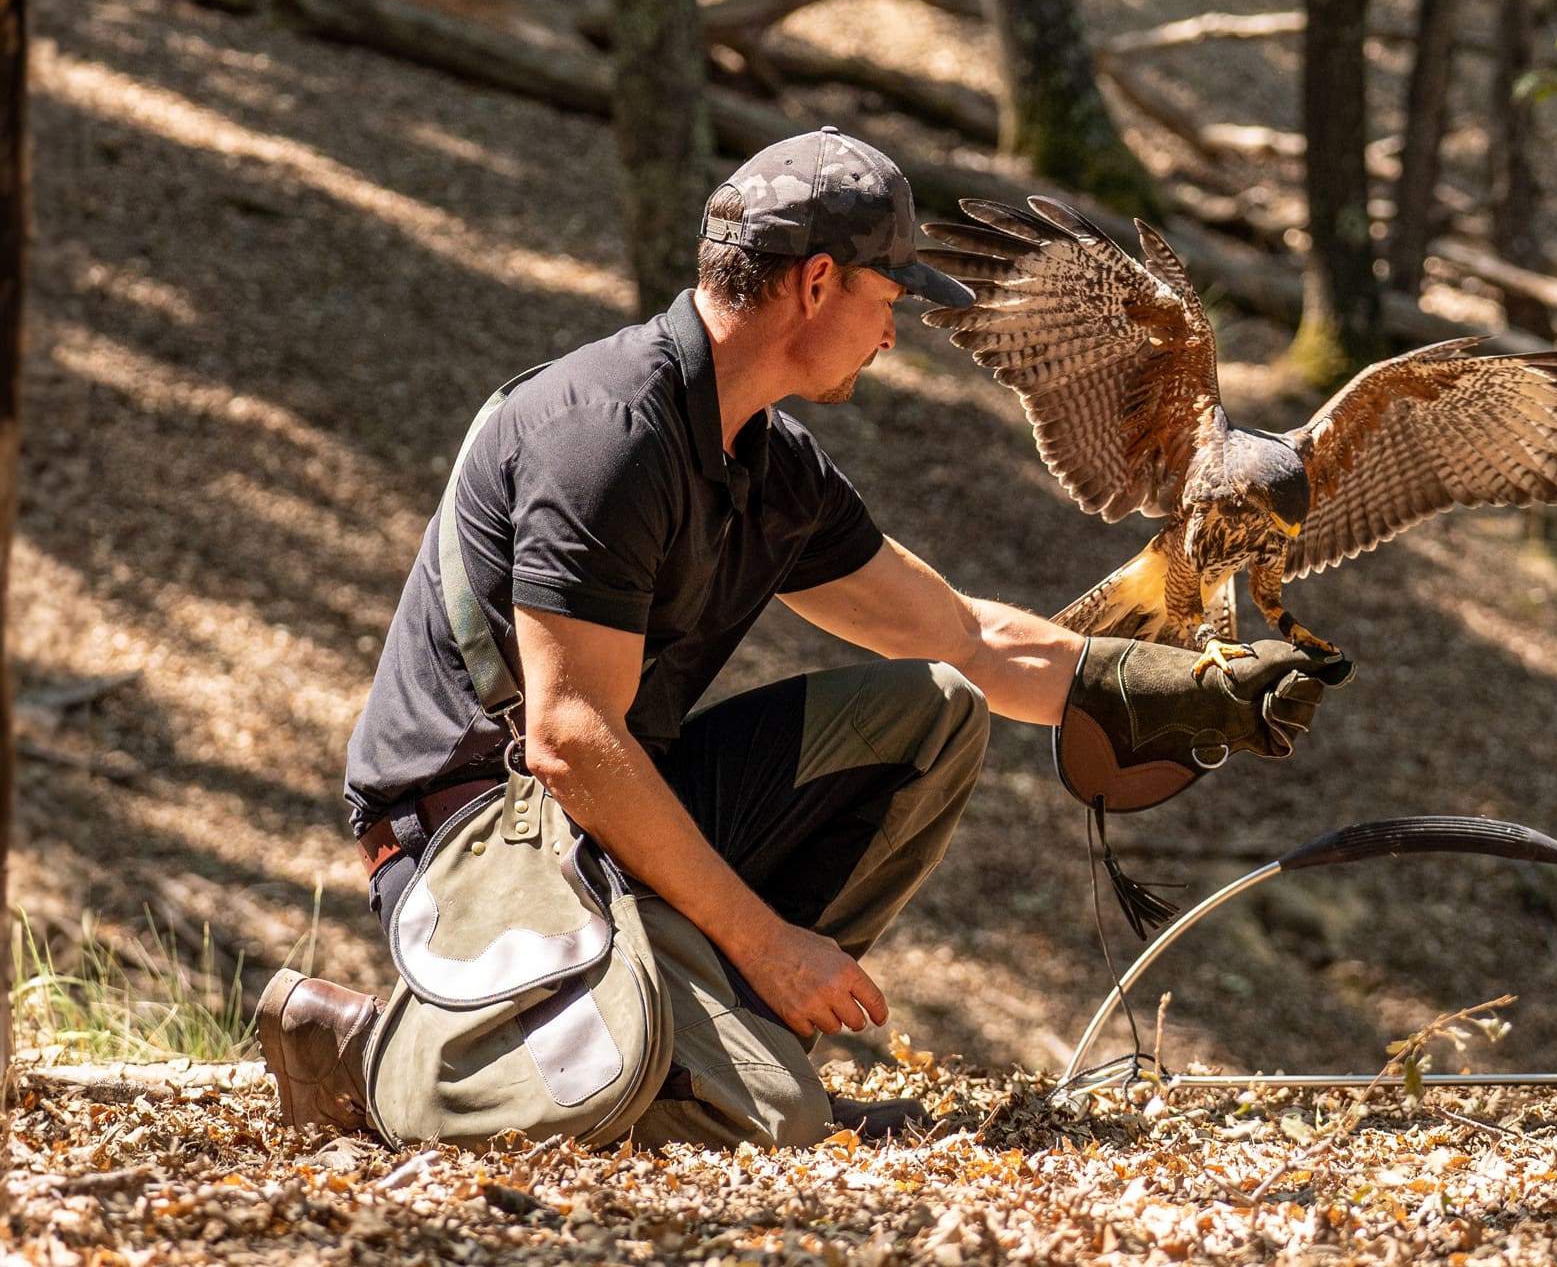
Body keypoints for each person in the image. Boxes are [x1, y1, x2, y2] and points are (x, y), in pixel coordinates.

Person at [256, 127, 1343, 1148]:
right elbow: (569, 737)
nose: (894, 327)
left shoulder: (767, 462)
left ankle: (696, 1025)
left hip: (616, 805)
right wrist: (768, 944)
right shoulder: (603, 435)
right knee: (775, 1123)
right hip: (474, 831)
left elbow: (962, 637)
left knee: (937, 712)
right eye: (889, 294)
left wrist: (1186, 687)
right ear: (814, 282)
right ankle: (372, 1051)